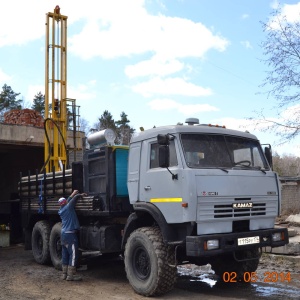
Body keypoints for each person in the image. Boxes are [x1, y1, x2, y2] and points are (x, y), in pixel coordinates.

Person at [58, 189, 86, 281]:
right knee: (73, 254)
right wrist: (79, 195)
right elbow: (72, 201)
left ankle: (64, 274)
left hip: (63, 234)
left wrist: (72, 194)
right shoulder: (68, 207)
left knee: (65, 254)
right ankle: (71, 275)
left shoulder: (61, 210)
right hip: (70, 234)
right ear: (65, 202)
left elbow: (69, 200)